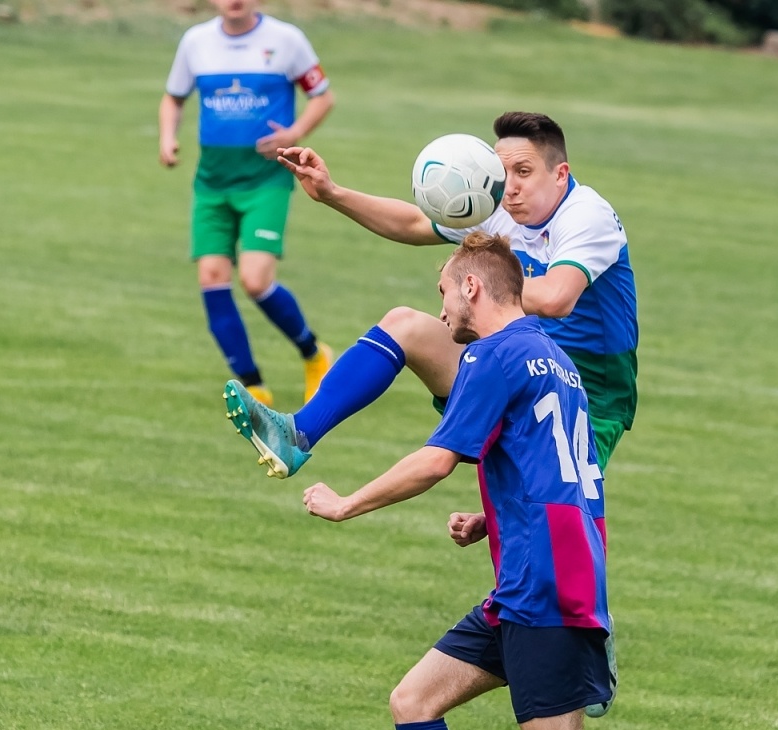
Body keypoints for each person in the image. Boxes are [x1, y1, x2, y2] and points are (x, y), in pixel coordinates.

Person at [298, 232, 704, 730]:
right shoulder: (553, 356)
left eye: (445, 291)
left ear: (473, 288)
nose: (442, 308)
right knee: (414, 700)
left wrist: (347, 503)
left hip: (545, 582)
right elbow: (562, 468)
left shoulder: (495, 353)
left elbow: (434, 462)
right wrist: (493, 518)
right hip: (536, 569)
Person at [222, 111, 638, 479]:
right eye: (503, 172)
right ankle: (295, 435)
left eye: (524, 172)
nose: (509, 187)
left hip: (585, 396)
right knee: (405, 325)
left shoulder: (586, 215)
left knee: (546, 527)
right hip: (518, 365)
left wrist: (477, 286)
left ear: (560, 174)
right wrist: (334, 194)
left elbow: (555, 298)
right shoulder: (497, 208)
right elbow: (414, 223)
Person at [160, 0, 336, 405]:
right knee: (211, 278)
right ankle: (253, 386)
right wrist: (168, 137)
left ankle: (314, 354)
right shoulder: (196, 42)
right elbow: (173, 97)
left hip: (265, 181)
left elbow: (322, 96)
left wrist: (294, 131)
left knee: (255, 279)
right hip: (212, 184)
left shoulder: (286, 40)